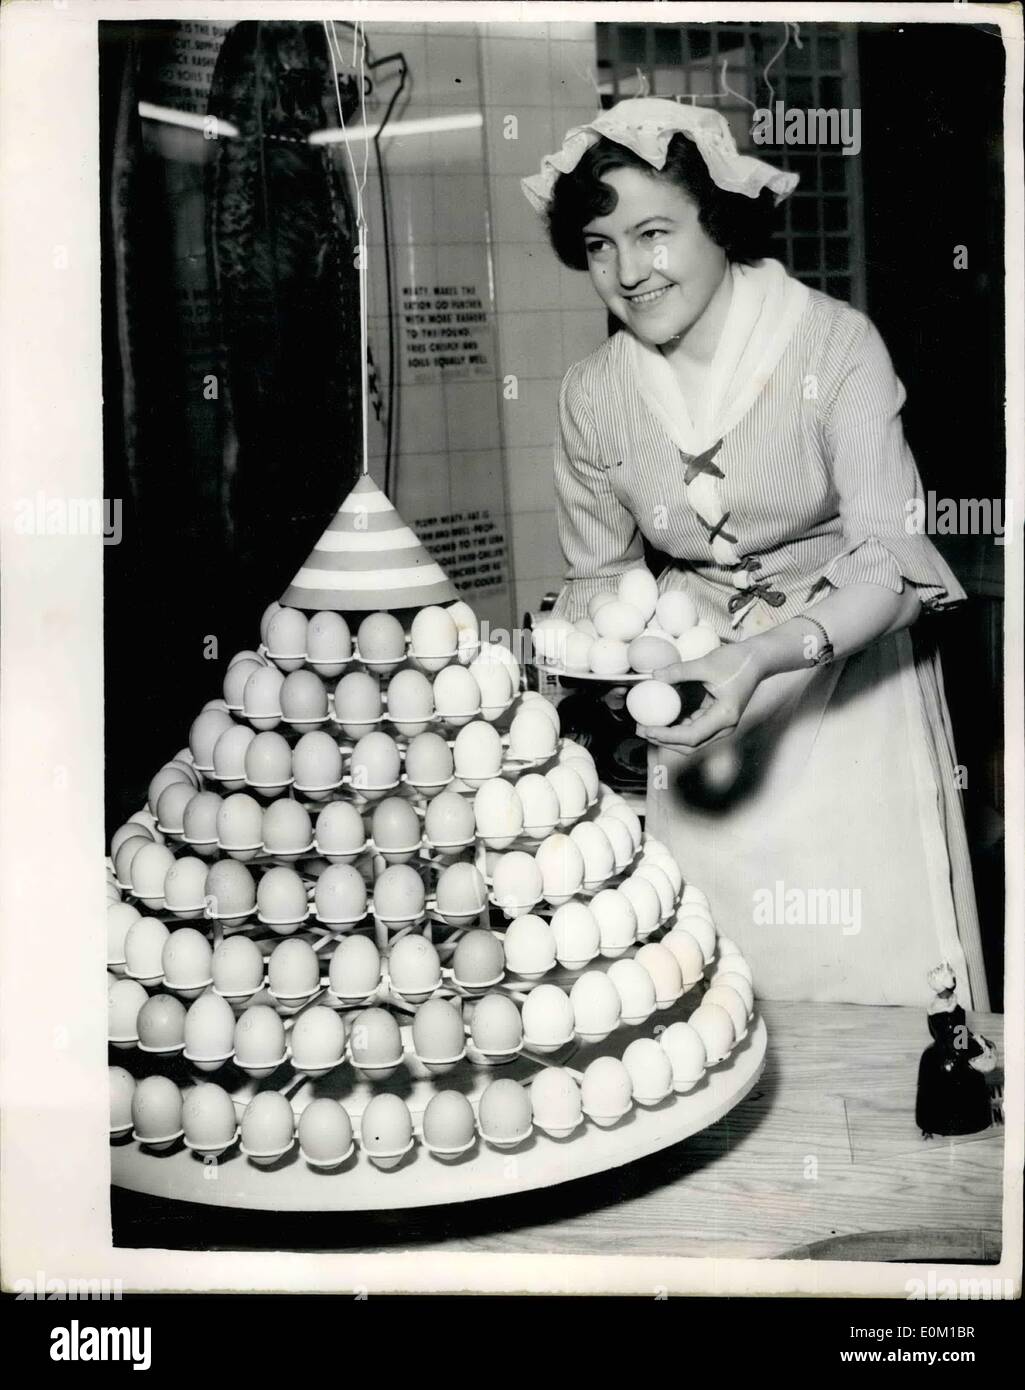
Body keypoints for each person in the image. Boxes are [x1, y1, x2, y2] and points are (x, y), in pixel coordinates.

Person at [521, 98, 988, 1007]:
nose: (627, 270)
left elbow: (893, 566)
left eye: (652, 232)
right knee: (718, 986)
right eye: (598, 245)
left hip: (850, 685)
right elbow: (600, 581)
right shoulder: (591, 396)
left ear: (717, 223)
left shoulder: (834, 345)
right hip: (699, 709)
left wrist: (764, 653)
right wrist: (599, 678)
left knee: (869, 970)